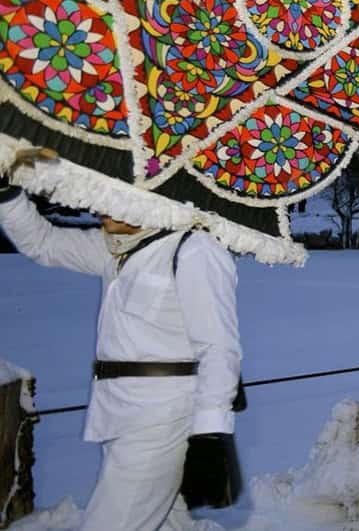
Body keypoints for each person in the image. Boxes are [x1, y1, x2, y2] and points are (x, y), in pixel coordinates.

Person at [0, 148, 242, 530]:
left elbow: (219, 347)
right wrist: (7, 195)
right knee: (168, 523)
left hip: (163, 418)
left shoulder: (193, 250)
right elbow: (42, 243)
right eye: (99, 195)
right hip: (119, 413)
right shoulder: (114, 249)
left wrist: (211, 432)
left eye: (115, 197)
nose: (101, 207)